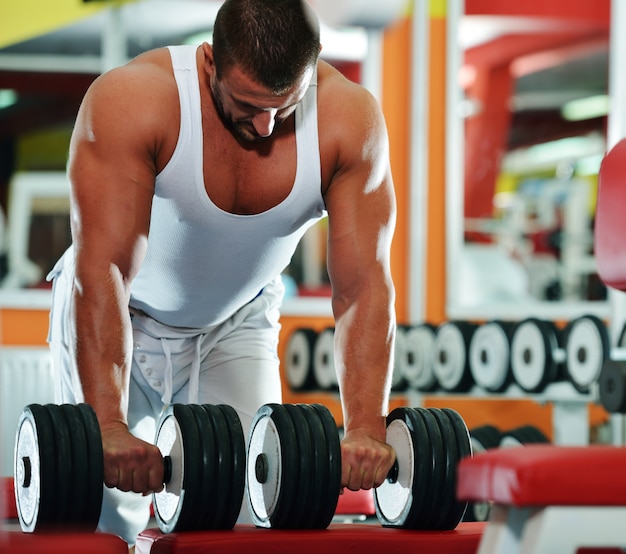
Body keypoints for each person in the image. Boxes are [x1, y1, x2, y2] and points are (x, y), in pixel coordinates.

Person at [47, 0, 397, 545]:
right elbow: (104, 272)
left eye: (285, 105)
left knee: (246, 509)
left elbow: (363, 287)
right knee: (102, 517)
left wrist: (368, 426)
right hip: (121, 314)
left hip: (236, 322)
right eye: (249, 103)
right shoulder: (135, 100)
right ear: (210, 62)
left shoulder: (349, 121)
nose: (266, 124)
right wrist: (109, 427)